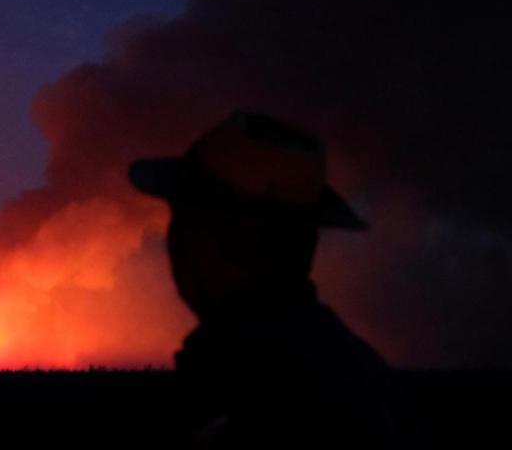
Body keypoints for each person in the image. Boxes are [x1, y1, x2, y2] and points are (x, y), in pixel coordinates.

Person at [129, 110, 418, 448]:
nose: (172, 242)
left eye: (181, 221)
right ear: (307, 243)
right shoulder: (363, 372)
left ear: (204, 238)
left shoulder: (240, 387)